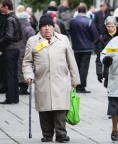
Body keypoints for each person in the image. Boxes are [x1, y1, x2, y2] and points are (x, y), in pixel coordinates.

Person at [22, 14, 80, 143]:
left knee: (60, 109)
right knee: (44, 108)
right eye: (44, 26)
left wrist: (75, 79)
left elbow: (72, 61)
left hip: (61, 79)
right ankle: (47, 134)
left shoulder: (63, 39)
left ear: (53, 27)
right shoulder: (33, 41)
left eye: (49, 26)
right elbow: (27, 62)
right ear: (39, 29)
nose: (47, 29)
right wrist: (28, 75)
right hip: (42, 79)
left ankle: (61, 134)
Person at [69, 3, 99, 93]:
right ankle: (81, 86)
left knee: (77, 67)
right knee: (84, 68)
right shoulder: (89, 21)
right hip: (86, 47)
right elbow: (95, 35)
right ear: (86, 10)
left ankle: (76, 84)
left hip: (76, 47)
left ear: (78, 10)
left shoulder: (72, 21)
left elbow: (70, 32)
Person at [0, 0, 22, 104]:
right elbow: (19, 35)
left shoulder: (9, 19)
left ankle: (10, 98)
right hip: (16, 48)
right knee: (14, 74)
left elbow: (9, 35)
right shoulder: (16, 17)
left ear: (6, 7)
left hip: (9, 49)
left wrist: (0, 42)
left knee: (9, 74)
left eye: (2, 7)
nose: (1, 9)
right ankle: (15, 98)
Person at [96, 16, 118, 87]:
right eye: (108, 26)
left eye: (112, 26)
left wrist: (110, 50)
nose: (110, 28)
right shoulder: (102, 38)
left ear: (116, 25)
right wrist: (99, 72)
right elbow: (99, 56)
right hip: (108, 69)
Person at [17, 12, 35, 95]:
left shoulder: (17, 27)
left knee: (20, 69)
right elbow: (34, 41)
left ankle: (21, 87)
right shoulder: (29, 29)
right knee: (25, 69)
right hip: (26, 52)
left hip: (18, 50)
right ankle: (24, 89)